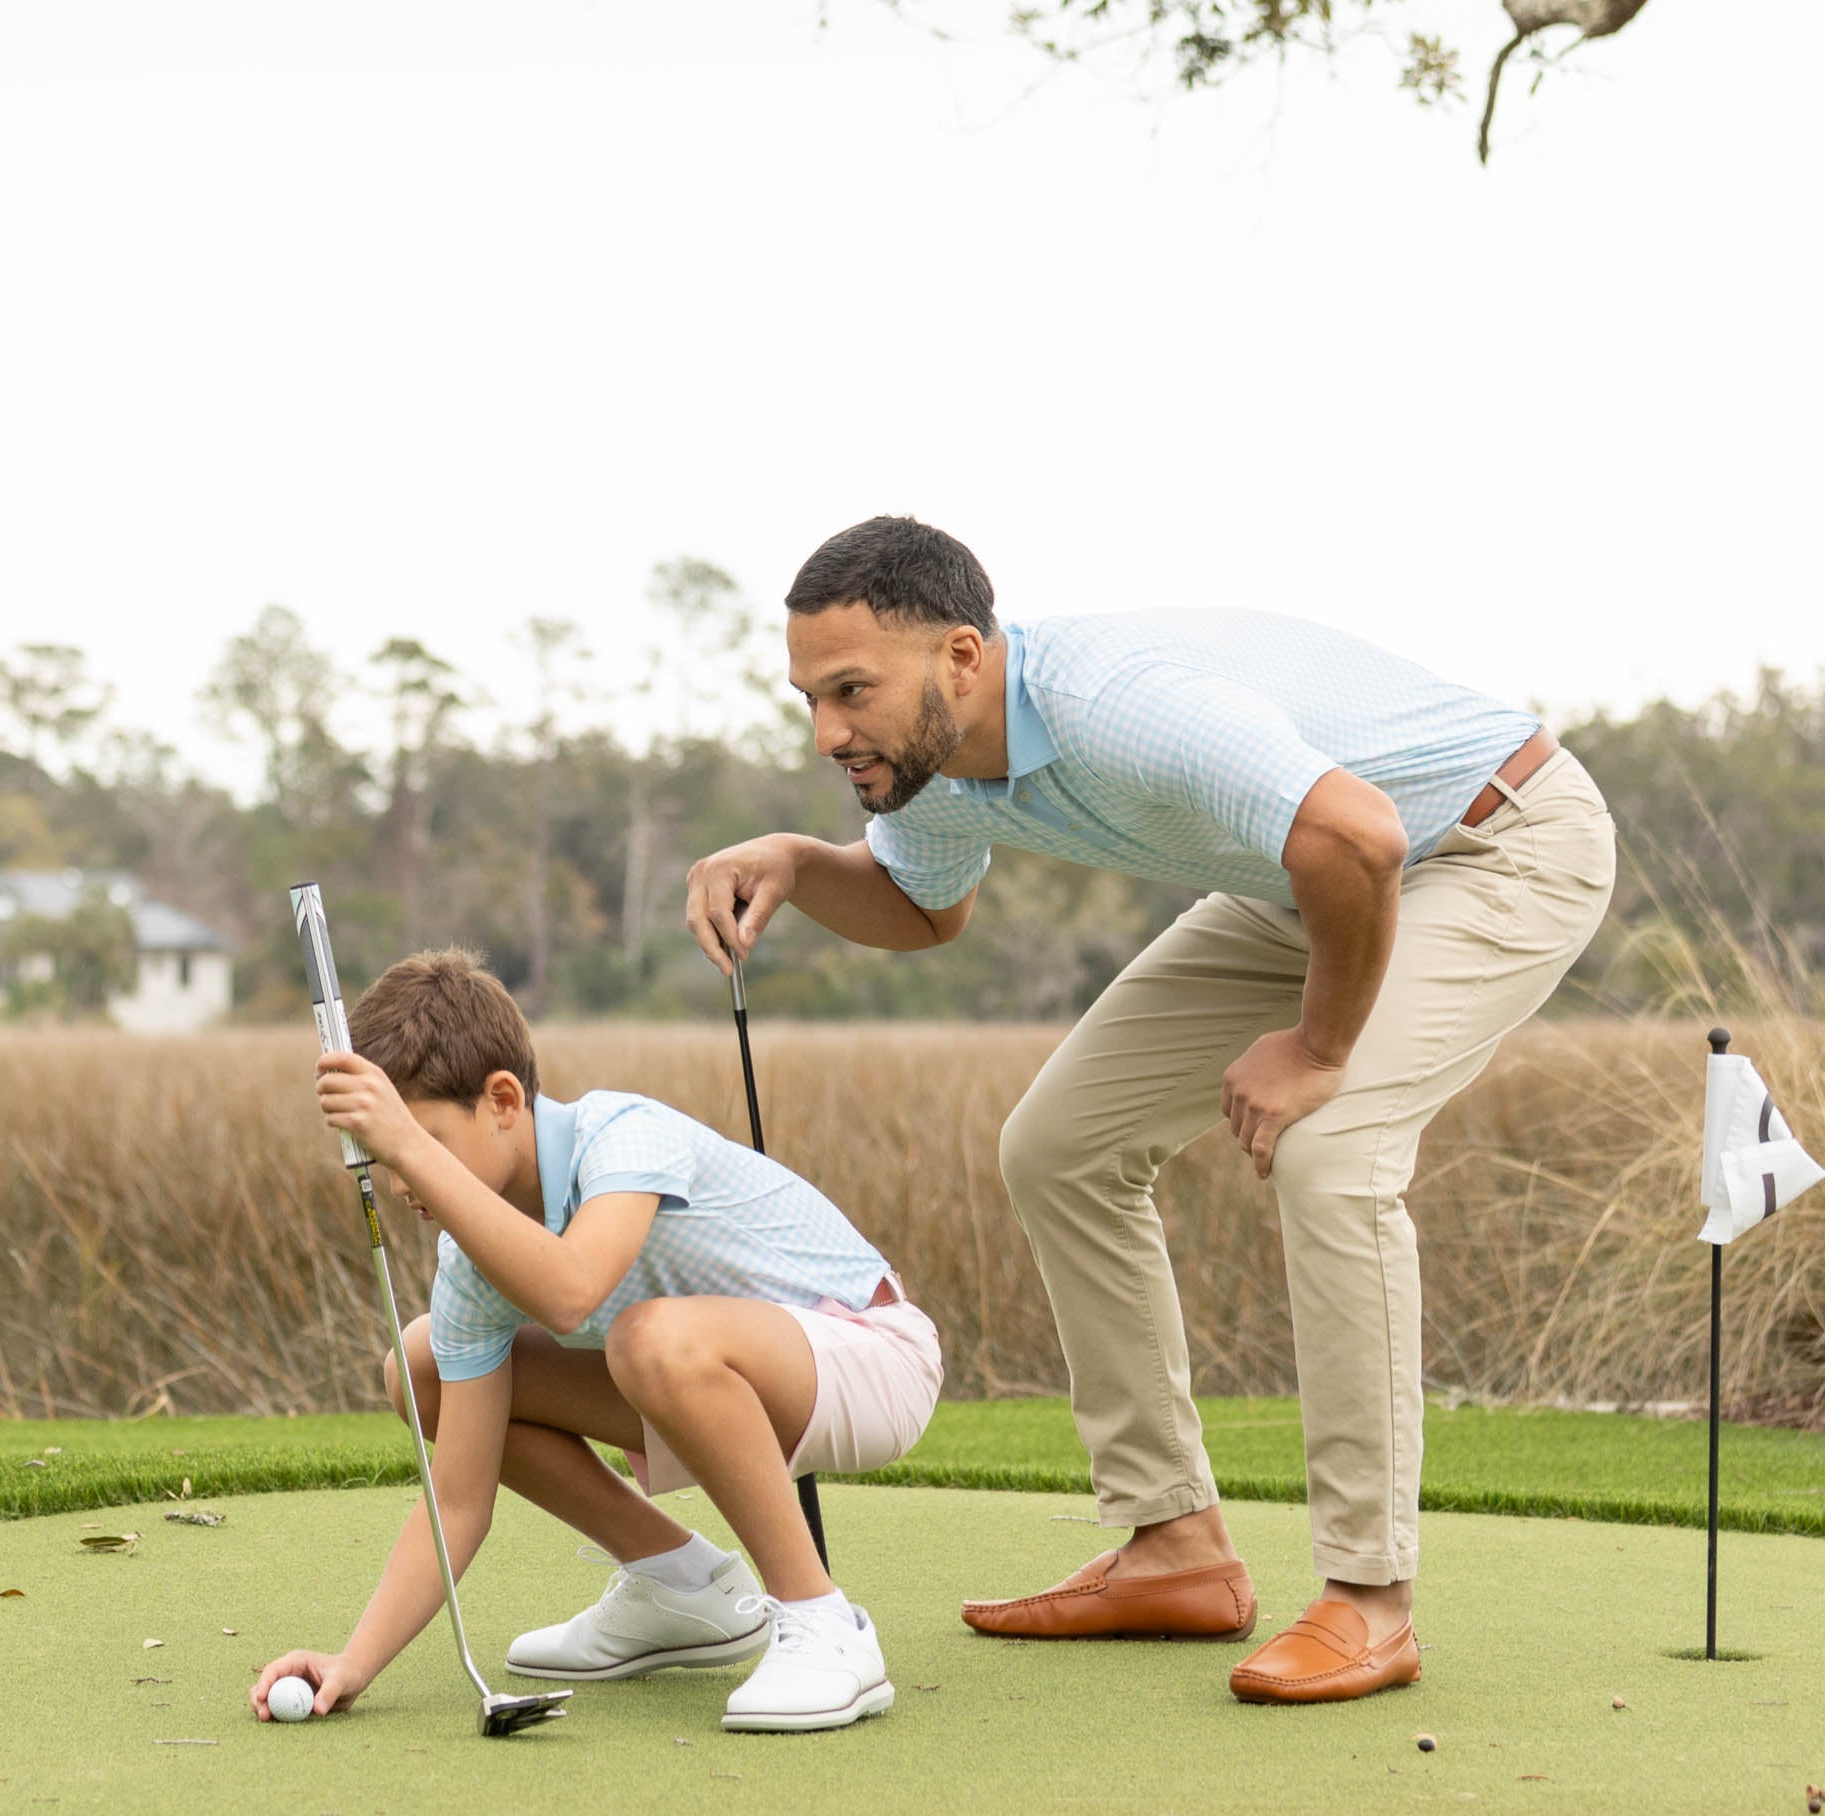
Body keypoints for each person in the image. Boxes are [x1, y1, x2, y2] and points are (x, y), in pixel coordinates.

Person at [684, 515, 1615, 1704]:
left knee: (1329, 1151)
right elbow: (924, 912)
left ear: (960, 658)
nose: (827, 732)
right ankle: (1171, 1543)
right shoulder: (929, 769)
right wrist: (803, 863)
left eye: (850, 690)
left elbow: (1361, 833)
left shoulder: (1114, 701)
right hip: (1304, 879)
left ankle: (1369, 1599)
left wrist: (1316, 1046)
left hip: (1490, 841)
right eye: (811, 696)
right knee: (1059, 1145)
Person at [250, 947, 942, 1733]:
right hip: (713, 1379)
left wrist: (400, 1142)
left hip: (873, 1359)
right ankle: (680, 1586)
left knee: (650, 1337)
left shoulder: (621, 1134)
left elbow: (573, 1291)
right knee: (423, 1368)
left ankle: (825, 1625)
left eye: (425, 1143)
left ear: (503, 1100)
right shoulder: (470, 1262)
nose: (404, 1183)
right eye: (384, 1158)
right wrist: (353, 1662)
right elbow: (458, 1496)